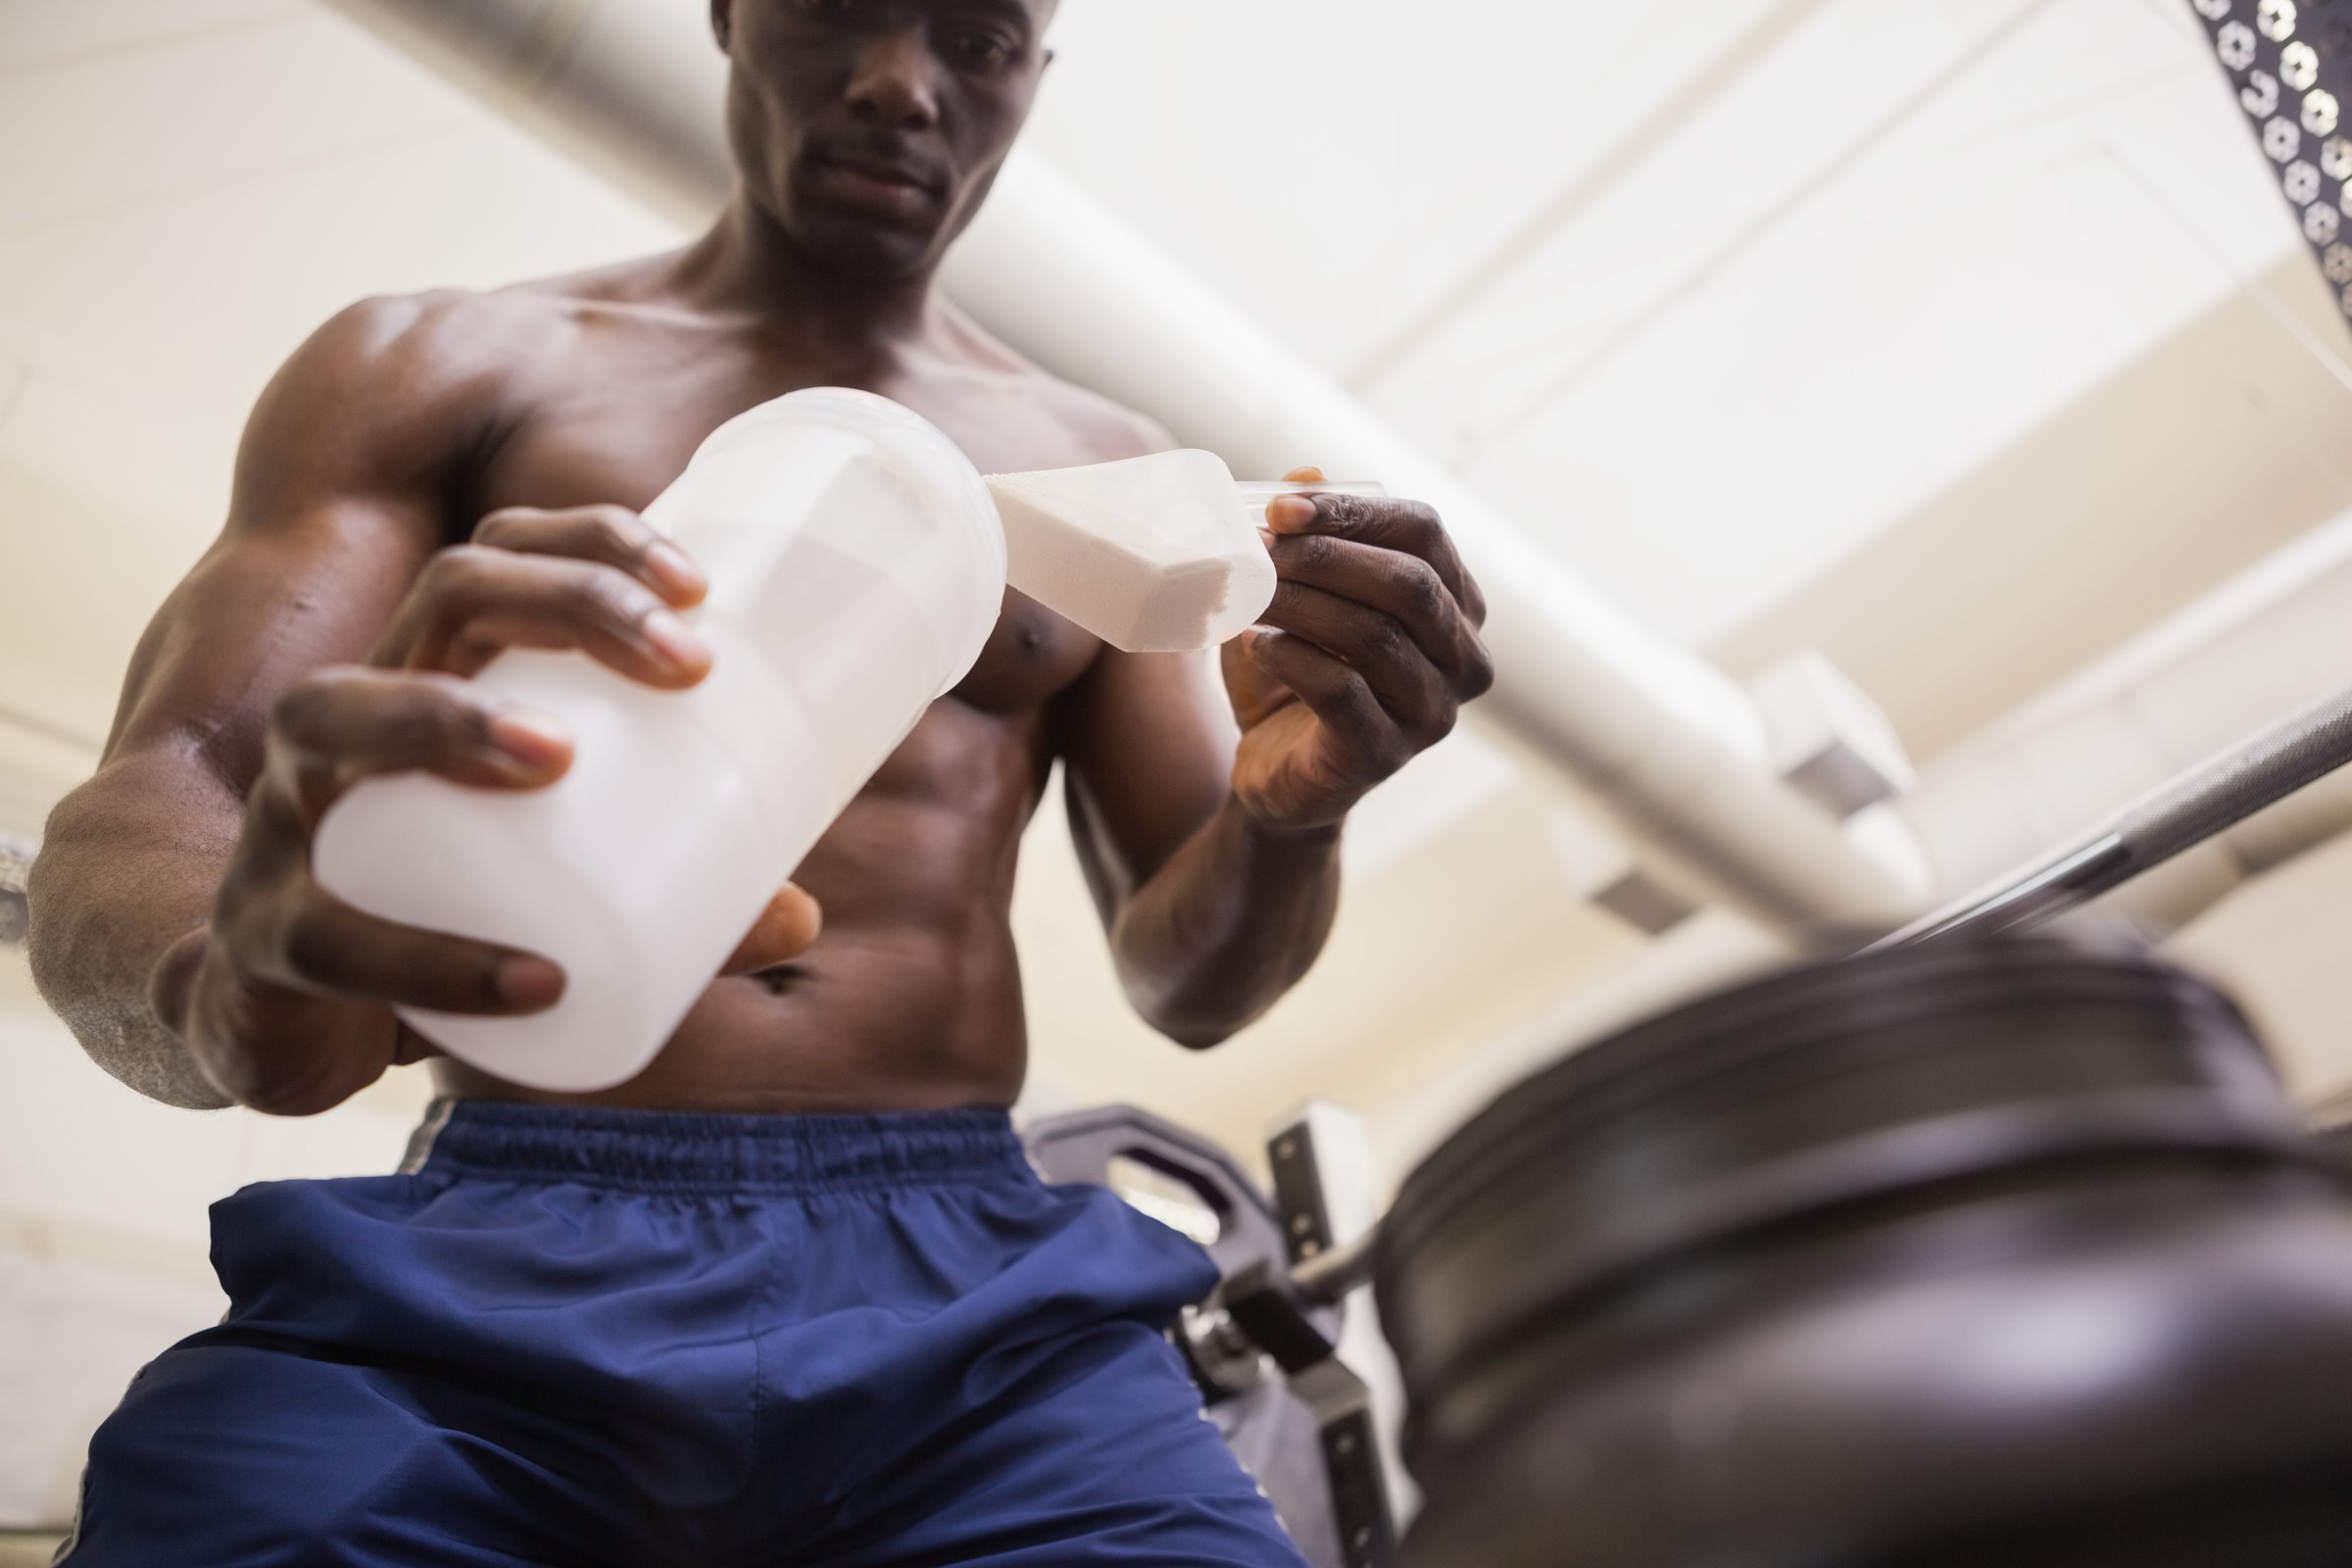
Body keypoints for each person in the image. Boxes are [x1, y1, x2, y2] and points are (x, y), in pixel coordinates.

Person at [26, 0, 1493, 1560]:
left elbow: (1187, 979)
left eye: (977, 40)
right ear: (728, 13)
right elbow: (168, 789)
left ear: (1032, 78)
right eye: (843, 8)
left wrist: (1293, 809)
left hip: (976, 1307)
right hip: (499, 1262)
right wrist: (209, 984)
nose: (898, 85)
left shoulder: (1106, 461)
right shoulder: (443, 367)